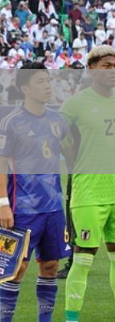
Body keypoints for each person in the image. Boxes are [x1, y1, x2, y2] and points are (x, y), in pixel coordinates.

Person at [61, 45, 115, 322]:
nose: (113, 71)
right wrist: (71, 155)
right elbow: (54, 132)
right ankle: (72, 319)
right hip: (88, 191)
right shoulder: (75, 104)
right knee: (83, 258)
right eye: (107, 66)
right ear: (91, 69)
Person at [0, 63, 72, 322]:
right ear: (25, 88)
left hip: (53, 208)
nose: (47, 86)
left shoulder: (58, 121)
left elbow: (71, 155)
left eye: (48, 80)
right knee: (15, 270)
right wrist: (3, 203)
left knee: (50, 267)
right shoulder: (11, 122)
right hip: (22, 209)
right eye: (40, 81)